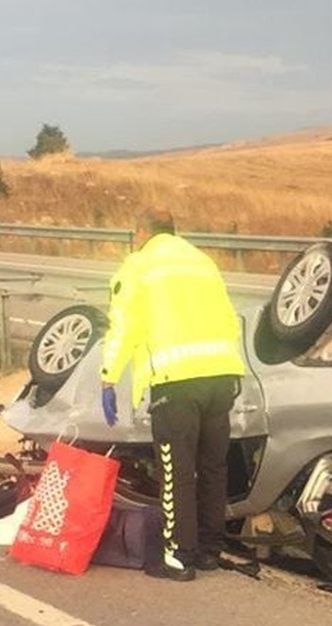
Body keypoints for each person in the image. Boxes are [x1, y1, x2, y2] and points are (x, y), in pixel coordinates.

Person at [99, 209, 245, 581]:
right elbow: (229, 318)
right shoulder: (202, 262)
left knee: (176, 469)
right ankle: (211, 549)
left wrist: (108, 376)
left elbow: (124, 324)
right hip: (220, 375)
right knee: (214, 466)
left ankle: (179, 556)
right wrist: (232, 366)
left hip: (175, 379)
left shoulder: (140, 265)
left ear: (142, 232)